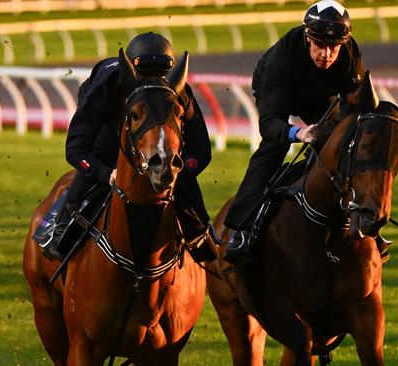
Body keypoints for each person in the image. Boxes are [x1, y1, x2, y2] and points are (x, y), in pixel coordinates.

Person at [39, 32, 212, 260]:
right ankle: (61, 226)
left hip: (149, 132)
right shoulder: (108, 87)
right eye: (143, 76)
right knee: (98, 161)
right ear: (131, 74)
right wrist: (105, 173)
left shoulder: (179, 93)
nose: (152, 82)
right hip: (110, 126)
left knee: (184, 187)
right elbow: (76, 149)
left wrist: (181, 172)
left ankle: (203, 236)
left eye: (159, 77)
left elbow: (201, 150)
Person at [223, 0, 367, 265]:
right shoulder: (284, 57)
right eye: (320, 45)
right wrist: (297, 133)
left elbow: (360, 107)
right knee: (273, 148)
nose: (327, 54)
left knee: (343, 145)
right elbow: (269, 124)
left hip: (319, 96)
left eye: (334, 47)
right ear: (307, 38)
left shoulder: (350, 54)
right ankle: (240, 229)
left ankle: (364, 223)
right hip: (278, 89)